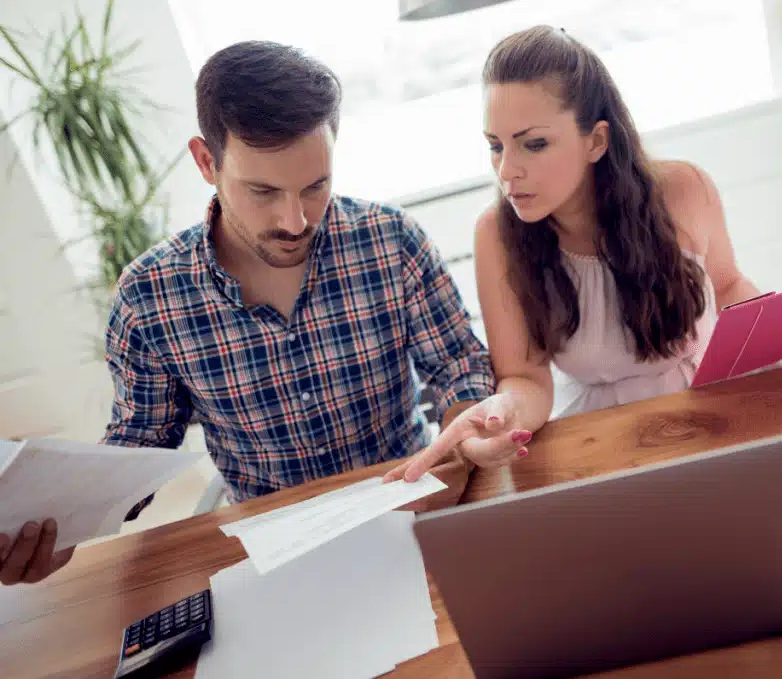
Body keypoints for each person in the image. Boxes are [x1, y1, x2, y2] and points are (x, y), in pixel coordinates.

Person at [0, 41, 528, 586]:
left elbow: (457, 365)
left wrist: (465, 432)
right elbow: (139, 445)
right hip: (278, 556)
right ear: (207, 162)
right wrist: (64, 532)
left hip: (416, 515)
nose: (296, 220)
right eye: (263, 191)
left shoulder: (391, 241)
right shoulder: (149, 298)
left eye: (315, 186)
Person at [388, 24, 765, 483]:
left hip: (708, 416)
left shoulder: (684, 189)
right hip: (595, 445)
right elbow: (526, 379)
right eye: (495, 146)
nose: (507, 170)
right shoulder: (496, 235)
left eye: (534, 143)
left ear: (596, 141)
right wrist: (500, 414)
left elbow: (729, 288)